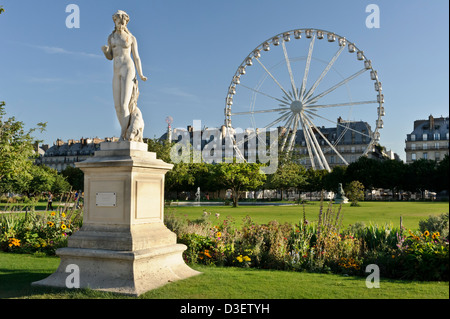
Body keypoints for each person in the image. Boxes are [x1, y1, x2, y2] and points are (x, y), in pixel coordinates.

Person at [101, 10, 147, 141]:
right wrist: (106, 52)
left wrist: (141, 74)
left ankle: (123, 136)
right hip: (116, 70)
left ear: (126, 22)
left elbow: (136, 57)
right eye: (118, 21)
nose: (120, 23)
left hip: (128, 68)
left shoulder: (131, 38)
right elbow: (110, 57)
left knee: (124, 104)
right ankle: (126, 131)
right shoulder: (111, 38)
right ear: (114, 21)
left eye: (123, 21)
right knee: (117, 106)